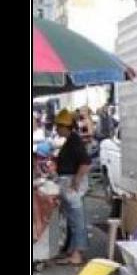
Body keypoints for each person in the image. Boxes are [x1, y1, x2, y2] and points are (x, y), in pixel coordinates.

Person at [53, 108, 91, 265]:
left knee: (77, 219)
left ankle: (77, 254)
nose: (56, 129)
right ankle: (72, 250)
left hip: (71, 182)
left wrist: (76, 181)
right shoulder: (71, 140)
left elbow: (85, 163)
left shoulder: (75, 141)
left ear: (65, 127)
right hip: (67, 181)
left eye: (58, 127)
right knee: (72, 219)